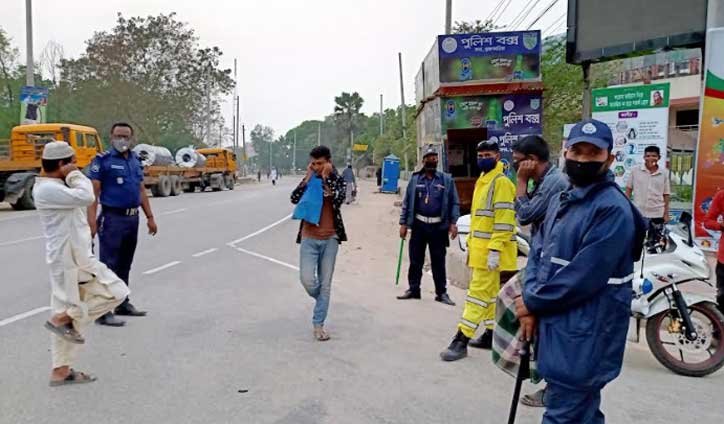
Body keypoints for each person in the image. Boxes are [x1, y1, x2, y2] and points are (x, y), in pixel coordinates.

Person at [516, 119, 647, 423]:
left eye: (593, 154)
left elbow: (582, 278)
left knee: (564, 415)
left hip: (586, 337)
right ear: (565, 151)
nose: (582, 159)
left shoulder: (612, 209)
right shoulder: (564, 199)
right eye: (577, 151)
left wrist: (533, 302)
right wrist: (529, 299)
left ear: (609, 159)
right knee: (582, 415)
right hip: (560, 328)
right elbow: (539, 252)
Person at [35, 141, 130, 386]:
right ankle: (66, 318)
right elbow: (88, 196)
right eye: (72, 162)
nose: (77, 167)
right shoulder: (47, 189)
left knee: (63, 316)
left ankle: (61, 370)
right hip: (72, 261)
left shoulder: (57, 186)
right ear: (61, 164)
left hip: (70, 258)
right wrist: (75, 174)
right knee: (117, 291)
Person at [440, 139, 517, 361]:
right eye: (480, 156)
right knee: (491, 296)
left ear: (497, 156)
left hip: (492, 253)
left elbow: (504, 221)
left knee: (476, 296)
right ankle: (491, 334)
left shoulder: (500, 182)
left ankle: (461, 339)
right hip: (481, 252)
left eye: (488, 155)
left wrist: (494, 249)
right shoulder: (484, 179)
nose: (483, 159)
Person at [507, 135, 569, 407]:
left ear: (532, 161)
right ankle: (536, 372)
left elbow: (525, 215)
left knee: (545, 327)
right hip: (541, 257)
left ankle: (553, 388)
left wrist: (520, 183)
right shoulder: (545, 181)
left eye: (519, 163)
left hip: (550, 266)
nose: (516, 167)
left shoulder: (554, 182)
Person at [88, 123, 157, 327]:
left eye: (126, 136)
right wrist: (91, 222)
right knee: (108, 265)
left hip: (132, 218)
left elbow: (141, 190)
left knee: (125, 263)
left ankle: (122, 302)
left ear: (131, 138)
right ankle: (103, 310)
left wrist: (150, 217)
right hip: (112, 218)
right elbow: (94, 194)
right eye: (118, 136)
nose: (122, 140)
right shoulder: (103, 161)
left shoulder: (135, 161)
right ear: (111, 136)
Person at [290, 146, 347, 341]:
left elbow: (340, 200)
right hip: (309, 238)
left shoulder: (337, 180)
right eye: (313, 163)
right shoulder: (309, 179)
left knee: (326, 285)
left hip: (330, 239)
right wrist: (307, 179)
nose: (316, 167)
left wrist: (327, 178)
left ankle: (318, 324)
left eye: (320, 163)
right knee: (308, 280)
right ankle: (321, 299)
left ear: (328, 162)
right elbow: (294, 198)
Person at [397, 146, 460, 306]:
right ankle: (413, 289)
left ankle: (441, 293)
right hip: (418, 226)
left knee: (438, 261)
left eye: (435, 157)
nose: (433, 160)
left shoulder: (446, 180)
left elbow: (454, 202)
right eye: (429, 157)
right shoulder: (415, 180)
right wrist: (403, 223)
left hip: (438, 227)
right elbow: (406, 203)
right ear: (423, 160)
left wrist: (453, 223)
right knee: (415, 260)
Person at [626, 145, 670, 251]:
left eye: (654, 156)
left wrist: (666, 213)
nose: (650, 158)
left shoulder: (664, 173)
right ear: (644, 157)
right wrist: (626, 209)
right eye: (648, 156)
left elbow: (666, 194)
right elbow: (628, 190)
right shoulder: (635, 170)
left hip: (657, 213)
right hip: (638, 213)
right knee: (636, 242)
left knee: (655, 244)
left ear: (659, 158)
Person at [703, 189, 724, 314]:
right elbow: (708, 221)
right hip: (723, 260)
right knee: (722, 300)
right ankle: (719, 332)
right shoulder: (721, 195)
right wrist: (721, 226)